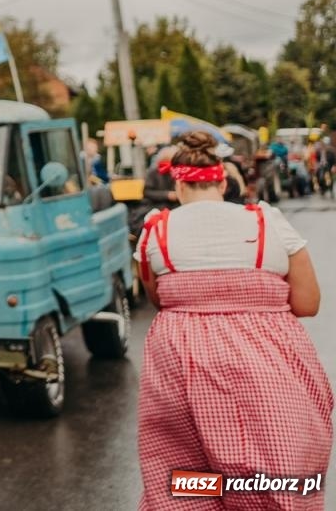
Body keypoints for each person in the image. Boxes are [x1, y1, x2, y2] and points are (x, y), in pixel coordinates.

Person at [135, 131, 332, 509]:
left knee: (185, 476)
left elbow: (159, 299)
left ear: (178, 185)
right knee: (280, 476)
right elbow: (308, 303)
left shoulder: (155, 230)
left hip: (179, 360)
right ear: (224, 182)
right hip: (269, 362)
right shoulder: (267, 220)